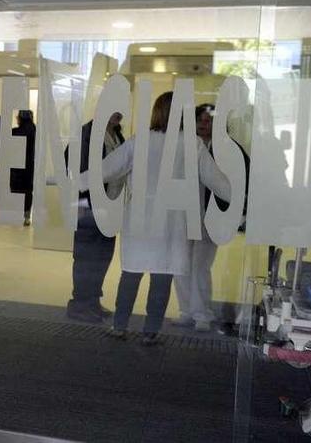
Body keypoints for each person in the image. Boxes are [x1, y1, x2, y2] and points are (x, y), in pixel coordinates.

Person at [80, 92, 231, 345]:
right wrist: (243, 196)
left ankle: (120, 325)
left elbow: (107, 169)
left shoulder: (140, 141)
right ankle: (150, 331)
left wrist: (74, 181)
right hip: (172, 221)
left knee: (131, 274)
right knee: (163, 275)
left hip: (140, 217)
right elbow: (215, 180)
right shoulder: (192, 144)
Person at [173, 103, 250, 332]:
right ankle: (186, 311)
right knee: (180, 264)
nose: (204, 125)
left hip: (212, 217)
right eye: (200, 120)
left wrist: (238, 210)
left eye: (209, 121)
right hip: (183, 215)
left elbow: (243, 180)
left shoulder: (229, 148)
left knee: (200, 266)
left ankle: (202, 314)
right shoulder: (182, 145)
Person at [66, 112, 125, 324]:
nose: (118, 114)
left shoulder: (117, 134)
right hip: (88, 205)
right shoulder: (85, 134)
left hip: (108, 206)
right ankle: (80, 304)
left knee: (101, 255)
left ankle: (91, 302)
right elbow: (77, 170)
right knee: (85, 256)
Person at [9, 110, 36, 226]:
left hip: (17, 165)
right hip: (30, 165)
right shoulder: (36, 131)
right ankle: (27, 216)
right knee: (28, 191)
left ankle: (16, 215)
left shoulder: (15, 132)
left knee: (16, 190)